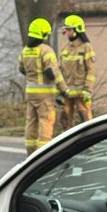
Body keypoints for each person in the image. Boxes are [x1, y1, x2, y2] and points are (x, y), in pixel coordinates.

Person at [19, 18, 69, 155]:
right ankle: (43, 154)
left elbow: (21, 69)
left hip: (30, 93)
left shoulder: (25, 51)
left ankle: (30, 152)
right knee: (45, 122)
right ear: (43, 34)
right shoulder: (46, 50)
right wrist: (64, 90)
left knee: (31, 122)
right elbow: (54, 73)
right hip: (45, 95)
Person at [59, 14, 96, 129]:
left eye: (69, 29)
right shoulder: (65, 49)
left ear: (77, 30)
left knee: (86, 121)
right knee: (65, 121)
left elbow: (91, 69)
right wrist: (60, 90)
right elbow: (60, 71)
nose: (66, 32)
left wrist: (87, 90)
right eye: (66, 29)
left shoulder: (86, 47)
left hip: (82, 93)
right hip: (67, 93)